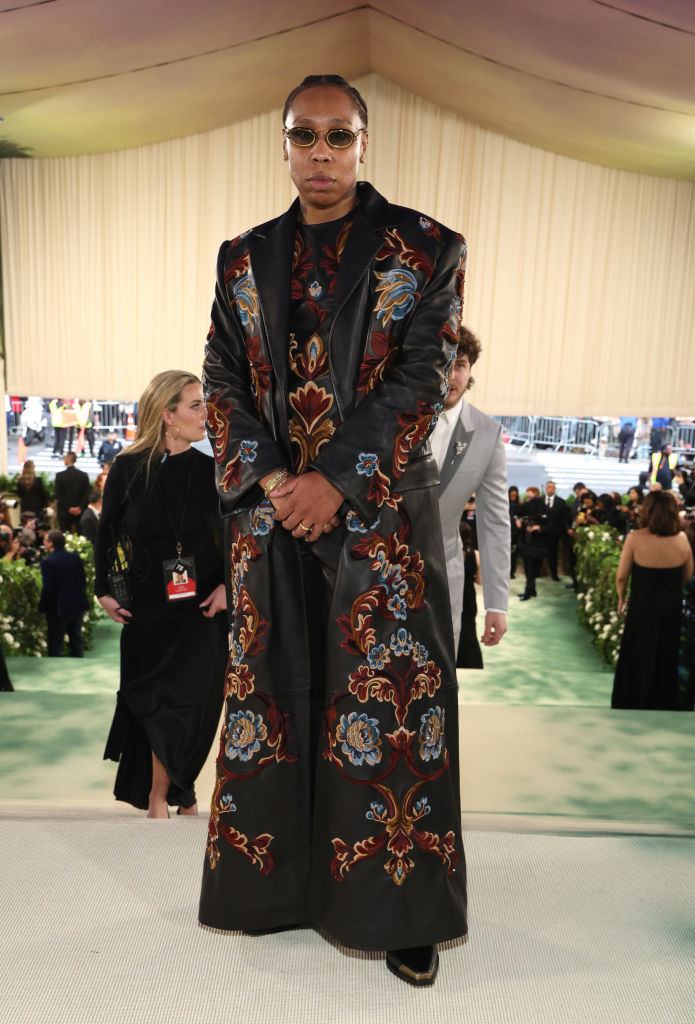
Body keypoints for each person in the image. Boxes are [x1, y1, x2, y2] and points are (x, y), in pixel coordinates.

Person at [199, 74, 467, 986]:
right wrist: (279, 482)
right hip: (274, 523)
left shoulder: (426, 248)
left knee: (389, 709)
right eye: (303, 135)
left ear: (364, 143)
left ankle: (400, 907)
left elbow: (421, 381)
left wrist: (335, 482)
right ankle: (275, 893)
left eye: (338, 136)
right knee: (280, 701)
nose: (321, 152)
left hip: (380, 523)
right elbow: (222, 379)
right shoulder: (241, 257)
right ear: (282, 143)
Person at [95, 371, 227, 818]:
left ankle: (177, 790)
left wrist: (229, 585)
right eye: (195, 405)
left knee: (195, 700)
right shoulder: (130, 468)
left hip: (203, 607)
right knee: (158, 700)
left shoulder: (213, 470)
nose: (205, 414)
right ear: (167, 415)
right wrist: (105, 590)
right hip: (148, 608)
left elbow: (235, 537)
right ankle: (165, 797)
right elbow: (107, 533)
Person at [432, 325, 509, 652]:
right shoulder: (391, 420)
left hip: (445, 574)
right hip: (375, 570)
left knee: (437, 677)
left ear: (470, 370)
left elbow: (494, 522)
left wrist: (497, 602)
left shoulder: (488, 433)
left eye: (459, 365)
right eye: (443, 364)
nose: (451, 376)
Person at [611, 491, 693, 710]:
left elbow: (621, 575)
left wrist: (621, 599)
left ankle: (633, 700)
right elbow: (687, 574)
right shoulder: (682, 538)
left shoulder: (635, 538)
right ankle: (663, 701)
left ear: (647, 511)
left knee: (638, 654)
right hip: (671, 607)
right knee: (667, 654)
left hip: (642, 606)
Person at [38, 530, 89, 656]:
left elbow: (48, 588)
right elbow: (82, 579)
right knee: (76, 637)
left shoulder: (48, 562)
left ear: (51, 543)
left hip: (59, 607)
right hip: (77, 603)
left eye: (45, 540)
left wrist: (42, 608)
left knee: (56, 641)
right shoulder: (75, 557)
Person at [456, 520, 483, 668]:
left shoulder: (448, 556)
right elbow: (480, 581)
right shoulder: (476, 555)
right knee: (469, 631)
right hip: (469, 598)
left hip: (453, 596)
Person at [54, 451, 90, 532]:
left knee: (64, 535)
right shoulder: (83, 475)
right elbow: (87, 494)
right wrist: (80, 507)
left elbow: (59, 495)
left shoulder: (60, 476)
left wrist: (68, 508)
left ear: (67, 459)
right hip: (80, 512)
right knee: (81, 536)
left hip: (64, 512)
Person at [542, 480, 569, 581]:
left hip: (554, 533)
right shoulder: (540, 500)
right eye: (549, 487)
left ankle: (554, 574)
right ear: (546, 488)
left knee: (553, 554)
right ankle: (539, 573)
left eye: (553, 487)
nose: (551, 489)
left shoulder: (560, 502)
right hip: (541, 532)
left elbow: (564, 518)